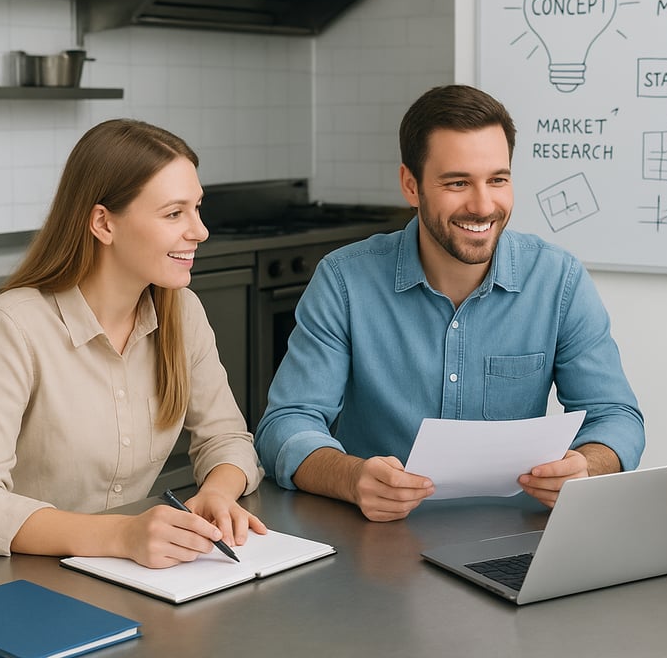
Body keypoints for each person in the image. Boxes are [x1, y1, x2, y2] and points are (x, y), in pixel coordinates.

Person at [255, 84, 645, 522]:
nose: (482, 205)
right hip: (375, 538)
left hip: (513, 533)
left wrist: (586, 467)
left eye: (497, 180)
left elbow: (616, 418)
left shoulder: (560, 280)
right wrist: (351, 477)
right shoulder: (344, 281)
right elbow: (285, 425)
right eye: (458, 183)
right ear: (411, 184)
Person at [0, 119, 266, 567]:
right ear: (103, 223)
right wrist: (122, 535)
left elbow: (228, 438)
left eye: (198, 208)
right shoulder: (11, 326)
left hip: (103, 572)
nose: (200, 231)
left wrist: (217, 492)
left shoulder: (182, 311)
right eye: (174, 213)